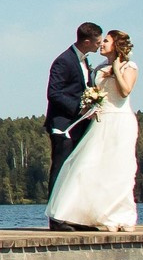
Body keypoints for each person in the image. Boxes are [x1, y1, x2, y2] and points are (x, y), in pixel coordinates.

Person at [48, 30, 139, 231]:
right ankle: (87, 214)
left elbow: (124, 91)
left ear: (116, 45)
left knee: (119, 168)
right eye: (101, 40)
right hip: (100, 121)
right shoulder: (98, 68)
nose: (101, 44)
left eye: (106, 41)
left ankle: (119, 214)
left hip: (120, 121)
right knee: (90, 166)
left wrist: (116, 69)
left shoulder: (129, 66)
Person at [45, 24, 104, 189]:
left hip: (79, 125)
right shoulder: (63, 61)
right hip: (64, 125)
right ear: (87, 42)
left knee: (76, 170)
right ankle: (55, 205)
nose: (100, 45)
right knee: (60, 170)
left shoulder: (84, 60)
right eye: (97, 42)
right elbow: (54, 93)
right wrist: (80, 108)